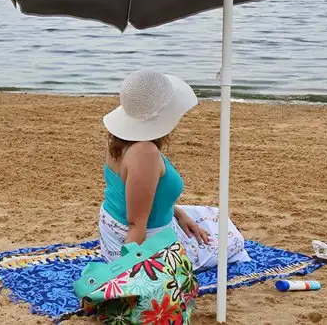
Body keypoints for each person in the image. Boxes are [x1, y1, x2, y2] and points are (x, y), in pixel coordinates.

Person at [98, 69, 250, 271]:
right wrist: (127, 273)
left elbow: (139, 197)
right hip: (138, 239)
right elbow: (137, 223)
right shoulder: (144, 153)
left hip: (116, 224)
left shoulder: (120, 141)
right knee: (231, 242)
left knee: (213, 215)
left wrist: (179, 214)